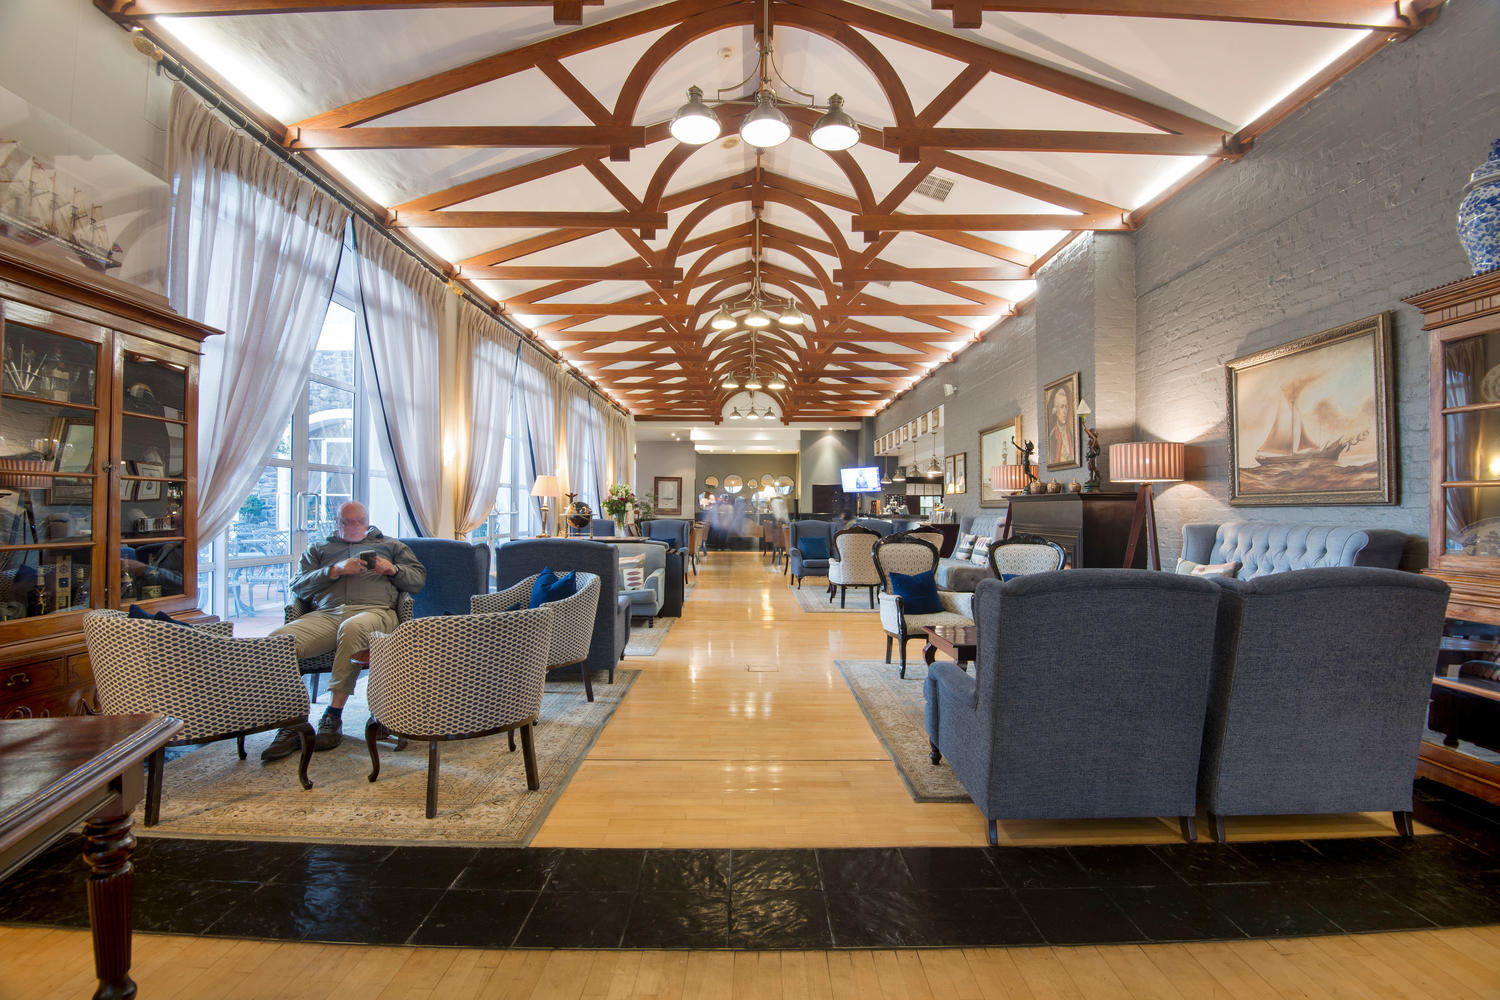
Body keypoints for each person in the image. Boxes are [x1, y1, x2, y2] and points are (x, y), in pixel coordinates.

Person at [260, 501, 426, 761]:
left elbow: (418, 581)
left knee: (352, 628)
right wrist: (333, 571)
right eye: (346, 522)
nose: (353, 527)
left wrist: (392, 569)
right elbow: (298, 587)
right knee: (277, 641)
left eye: (359, 521)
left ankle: (333, 715)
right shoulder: (319, 549)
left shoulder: (391, 546)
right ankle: (291, 721)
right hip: (327, 614)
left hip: (376, 612)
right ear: (336, 522)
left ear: (367, 522)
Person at [1048, 386, 1075, 466]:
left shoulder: (1071, 434)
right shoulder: (1052, 436)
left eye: (1066, 407)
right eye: (1062, 407)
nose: (1065, 411)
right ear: (1056, 410)